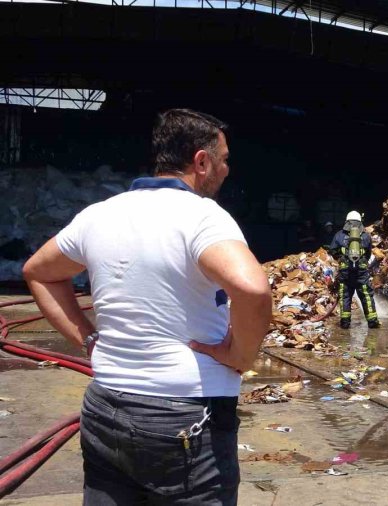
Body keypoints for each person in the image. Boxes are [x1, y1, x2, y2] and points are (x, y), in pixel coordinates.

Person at [22, 108, 272, 505]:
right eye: (223, 160)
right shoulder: (203, 217)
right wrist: (239, 354)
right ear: (201, 162)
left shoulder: (100, 215)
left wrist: (88, 340)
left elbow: (38, 271)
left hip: (105, 409)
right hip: (185, 418)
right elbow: (254, 290)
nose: (227, 169)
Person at [328, 211, 380, 329]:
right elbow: (368, 254)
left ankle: (345, 322)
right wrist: (362, 263)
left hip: (345, 271)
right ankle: (372, 321)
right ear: (360, 222)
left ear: (347, 221)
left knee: (345, 296)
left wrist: (341, 258)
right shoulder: (366, 236)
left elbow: (332, 250)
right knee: (366, 295)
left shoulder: (339, 235)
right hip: (361, 272)